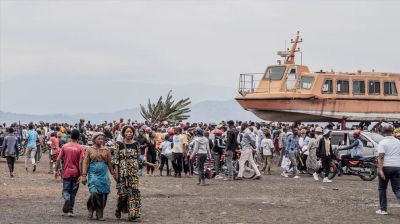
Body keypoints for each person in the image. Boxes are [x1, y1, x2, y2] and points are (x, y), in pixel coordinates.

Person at [113, 125, 155, 221]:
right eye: (127, 132)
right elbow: (116, 160)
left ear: (133, 133)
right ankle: (119, 209)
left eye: (130, 132)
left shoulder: (136, 144)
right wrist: (116, 172)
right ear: (123, 133)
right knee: (123, 194)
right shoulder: (119, 144)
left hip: (133, 173)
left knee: (134, 193)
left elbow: (138, 158)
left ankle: (133, 215)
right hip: (122, 172)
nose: (129, 133)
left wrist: (150, 164)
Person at [81, 132, 116, 221]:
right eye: (99, 139)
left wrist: (113, 174)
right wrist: (84, 175)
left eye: (102, 139)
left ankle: (99, 213)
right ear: (94, 140)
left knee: (103, 194)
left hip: (103, 173)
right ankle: (91, 208)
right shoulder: (89, 149)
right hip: (93, 173)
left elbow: (109, 163)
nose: (101, 140)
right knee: (94, 192)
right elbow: (85, 162)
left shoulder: (106, 150)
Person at [55, 129, 84, 217]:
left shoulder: (64, 146)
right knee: (73, 193)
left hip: (66, 172)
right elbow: (81, 162)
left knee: (65, 190)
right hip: (76, 173)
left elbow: (58, 159)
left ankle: (66, 199)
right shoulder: (80, 148)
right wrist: (82, 174)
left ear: (70, 136)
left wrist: (56, 170)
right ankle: (70, 211)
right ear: (78, 137)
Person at [376, 126, 400, 215]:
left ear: (383, 132)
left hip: (386, 167)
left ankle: (383, 209)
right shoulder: (398, 142)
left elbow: (381, 157)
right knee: (397, 189)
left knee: (382, 188)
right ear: (392, 131)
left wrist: (380, 170)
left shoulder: (382, 142)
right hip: (397, 167)